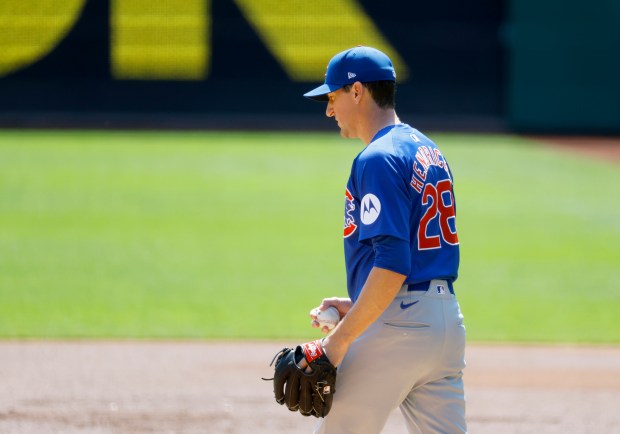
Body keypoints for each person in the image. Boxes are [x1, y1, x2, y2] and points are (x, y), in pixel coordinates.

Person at [303, 46, 467, 434]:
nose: (329, 110)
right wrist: (360, 303)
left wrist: (338, 343)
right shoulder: (428, 149)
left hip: (400, 327)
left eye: (332, 96)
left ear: (356, 91)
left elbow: (393, 264)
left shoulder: (377, 158)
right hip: (445, 326)